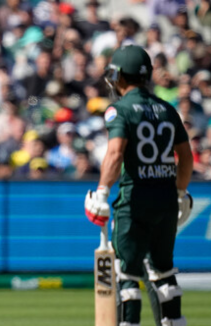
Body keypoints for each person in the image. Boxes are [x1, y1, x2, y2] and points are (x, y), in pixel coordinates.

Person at [84, 45, 193, 326]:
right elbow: (186, 158)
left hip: (135, 200)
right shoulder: (168, 109)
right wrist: (180, 192)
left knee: (127, 274)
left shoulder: (119, 110)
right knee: (164, 273)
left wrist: (102, 192)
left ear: (120, 76)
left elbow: (116, 153)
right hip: (166, 199)